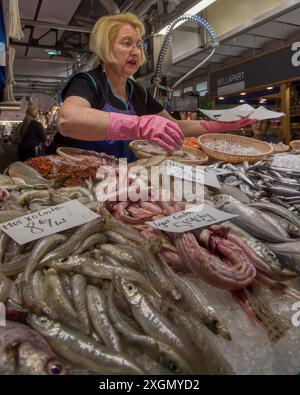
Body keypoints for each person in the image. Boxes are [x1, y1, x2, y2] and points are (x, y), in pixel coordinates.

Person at [56, 13, 253, 162]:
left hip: (124, 177)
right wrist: (140, 125)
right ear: (105, 47)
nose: (135, 51)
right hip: (81, 176)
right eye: (126, 43)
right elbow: (68, 119)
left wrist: (217, 125)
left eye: (138, 45)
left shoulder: (136, 91)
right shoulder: (88, 82)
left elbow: (174, 126)